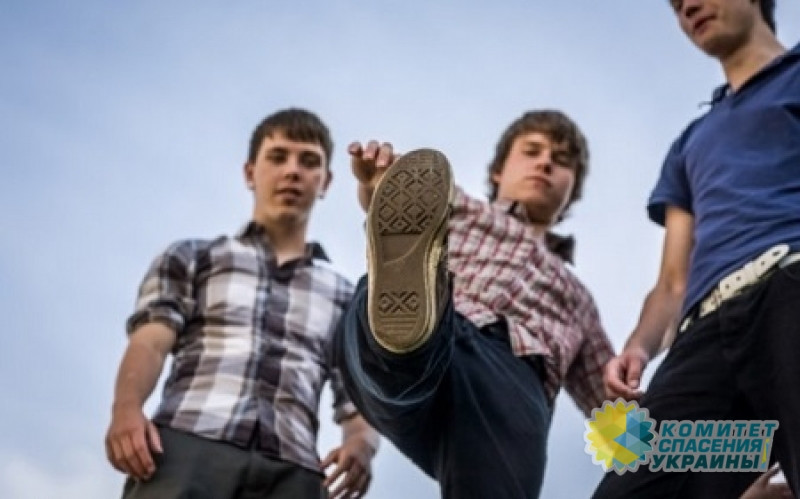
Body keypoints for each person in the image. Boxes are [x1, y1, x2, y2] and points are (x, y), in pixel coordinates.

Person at [334, 110, 615, 498]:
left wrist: (668, 455)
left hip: (514, 384)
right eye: (532, 151)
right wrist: (379, 185)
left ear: (572, 191)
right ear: (498, 171)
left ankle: (399, 340)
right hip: (445, 322)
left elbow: (610, 404)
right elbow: (403, 192)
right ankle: (399, 333)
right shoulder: (460, 204)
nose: (545, 163)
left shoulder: (579, 299)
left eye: (561, 160)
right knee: (400, 338)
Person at [105, 108, 379, 499]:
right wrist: (126, 409)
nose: (292, 171)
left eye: (309, 161)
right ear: (250, 173)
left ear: (326, 181)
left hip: (294, 472)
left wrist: (361, 445)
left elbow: (359, 395)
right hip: (185, 449)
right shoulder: (193, 258)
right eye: (278, 157)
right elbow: (149, 342)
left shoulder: (345, 297)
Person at [596, 0, 800, 497]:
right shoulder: (689, 143)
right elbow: (672, 281)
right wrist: (638, 347)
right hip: (702, 344)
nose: (687, 6)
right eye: (675, 3)